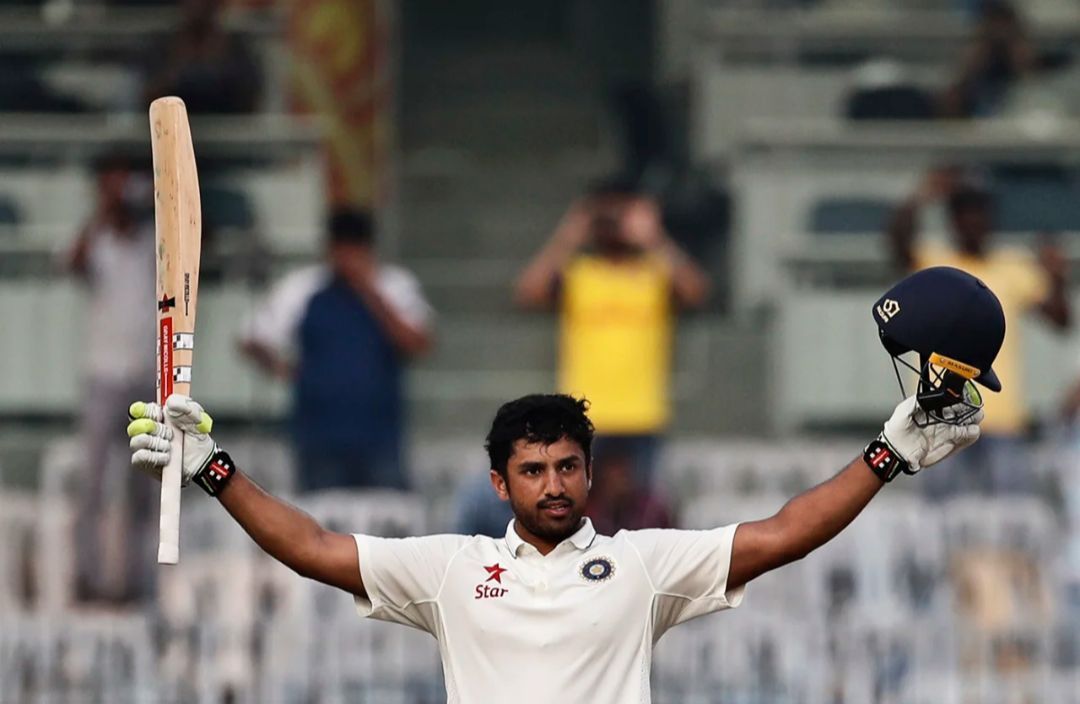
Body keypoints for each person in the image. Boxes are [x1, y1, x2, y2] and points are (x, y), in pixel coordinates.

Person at [128, 269, 997, 704]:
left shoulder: (642, 564)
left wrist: (884, 458)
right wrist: (213, 468)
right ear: (498, 484)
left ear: (590, 471)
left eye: (567, 467)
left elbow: (781, 533)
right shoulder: (450, 570)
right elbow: (313, 549)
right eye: (533, 471)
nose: (554, 486)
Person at [515, 177, 709, 496]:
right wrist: (569, 235)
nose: (614, 223)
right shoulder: (578, 273)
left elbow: (697, 292)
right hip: (583, 416)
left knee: (644, 518)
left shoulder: (656, 272)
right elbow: (527, 293)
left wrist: (655, 238)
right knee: (576, 511)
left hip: (643, 415)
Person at [886, 167, 1069, 498]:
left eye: (978, 213)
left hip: (1002, 421)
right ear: (952, 221)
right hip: (939, 417)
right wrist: (919, 198)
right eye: (963, 214)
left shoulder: (1013, 265)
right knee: (938, 531)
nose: (972, 221)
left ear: (990, 218)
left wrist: (1057, 278)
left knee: (1009, 527)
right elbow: (897, 246)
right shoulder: (936, 263)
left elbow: (1061, 321)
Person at [239, 208, 432, 491]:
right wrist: (282, 369)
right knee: (319, 526)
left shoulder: (394, 285)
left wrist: (369, 290)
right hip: (319, 436)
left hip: (380, 435)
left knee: (387, 523)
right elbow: (252, 337)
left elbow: (418, 342)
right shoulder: (303, 288)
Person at [64, 152, 156, 604]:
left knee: (144, 487)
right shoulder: (96, 237)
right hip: (103, 374)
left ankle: (135, 583)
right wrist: (104, 208)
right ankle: (86, 578)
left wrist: (150, 202)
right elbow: (75, 264)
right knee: (93, 485)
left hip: (145, 375)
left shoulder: (152, 238)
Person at [142, 0, 261, 114]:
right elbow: (149, 95)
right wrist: (177, 69)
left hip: (227, 126)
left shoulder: (237, 47)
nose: (199, 4)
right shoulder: (164, 46)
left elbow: (250, 98)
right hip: (173, 126)